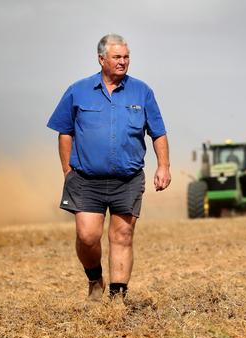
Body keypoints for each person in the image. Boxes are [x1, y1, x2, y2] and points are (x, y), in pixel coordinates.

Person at [47, 34, 171, 301]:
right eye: (117, 57)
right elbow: (65, 132)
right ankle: (94, 279)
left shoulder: (142, 91)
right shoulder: (77, 91)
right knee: (88, 235)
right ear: (101, 59)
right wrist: (68, 171)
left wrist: (164, 166)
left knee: (123, 234)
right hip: (86, 179)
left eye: (126, 57)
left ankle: (117, 299)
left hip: (127, 179)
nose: (123, 62)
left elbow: (158, 133)